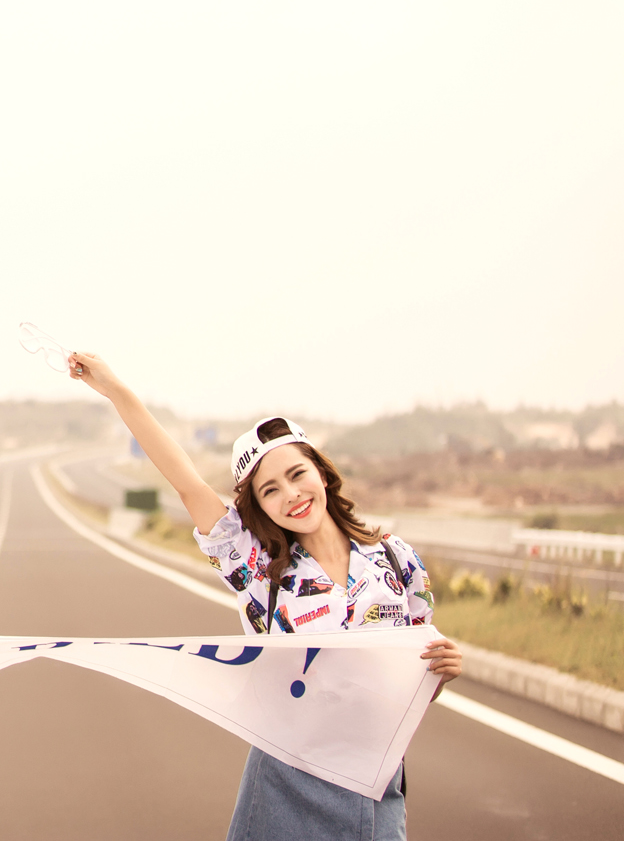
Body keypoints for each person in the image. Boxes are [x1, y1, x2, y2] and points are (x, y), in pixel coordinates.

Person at [67, 351, 462, 841]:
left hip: (375, 782)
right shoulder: (258, 569)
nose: (291, 495)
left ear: (321, 472)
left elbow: (411, 683)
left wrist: (441, 672)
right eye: (270, 490)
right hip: (286, 785)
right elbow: (187, 483)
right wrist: (116, 390)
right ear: (260, 507)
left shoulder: (396, 560)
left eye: (297, 475)